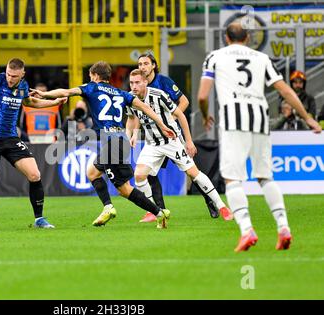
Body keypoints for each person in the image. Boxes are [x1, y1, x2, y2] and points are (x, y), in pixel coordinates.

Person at [198, 22, 321, 252]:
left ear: (226, 37)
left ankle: (247, 230)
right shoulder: (261, 58)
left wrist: (205, 116)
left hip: (234, 122)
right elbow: (285, 90)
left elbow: (203, 95)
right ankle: (283, 227)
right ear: (247, 38)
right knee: (265, 177)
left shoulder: (215, 56)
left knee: (233, 179)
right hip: (260, 119)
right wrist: (308, 118)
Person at [31, 61, 175, 228]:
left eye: (91, 76)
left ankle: (159, 213)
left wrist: (44, 94)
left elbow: (66, 92)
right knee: (92, 173)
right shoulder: (121, 93)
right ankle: (108, 206)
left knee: (125, 190)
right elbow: (146, 108)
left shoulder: (92, 87)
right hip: (120, 141)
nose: (90, 79)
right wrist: (163, 126)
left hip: (113, 144)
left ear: (96, 76)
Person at [126, 69, 233, 221]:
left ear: (145, 82)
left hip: (172, 141)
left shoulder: (159, 95)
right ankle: (152, 210)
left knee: (193, 173)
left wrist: (188, 141)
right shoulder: (130, 98)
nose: (134, 86)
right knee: (139, 175)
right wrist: (131, 134)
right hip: (152, 144)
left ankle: (221, 206)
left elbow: (180, 115)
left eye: (137, 82)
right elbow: (132, 117)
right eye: (131, 83)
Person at [0, 58, 67, 229]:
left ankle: (39, 219)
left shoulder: (23, 86)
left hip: (10, 138)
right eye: (9, 74)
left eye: (14, 76)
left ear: (22, 74)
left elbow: (29, 102)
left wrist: (54, 102)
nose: (10, 79)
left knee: (35, 174)